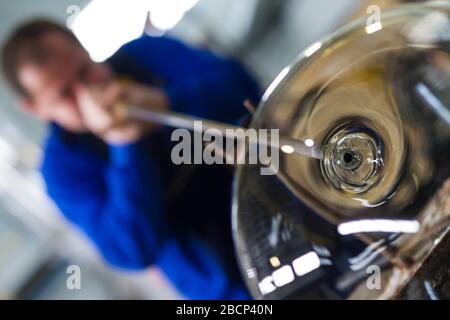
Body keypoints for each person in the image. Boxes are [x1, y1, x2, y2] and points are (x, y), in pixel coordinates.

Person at [1, 20, 260, 299]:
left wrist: (166, 102)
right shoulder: (61, 171)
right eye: (64, 95)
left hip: (279, 200)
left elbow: (244, 86)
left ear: (84, 49)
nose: (87, 93)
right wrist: (124, 144)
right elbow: (131, 250)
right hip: (229, 290)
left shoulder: (148, 55)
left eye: (84, 71)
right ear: (35, 108)